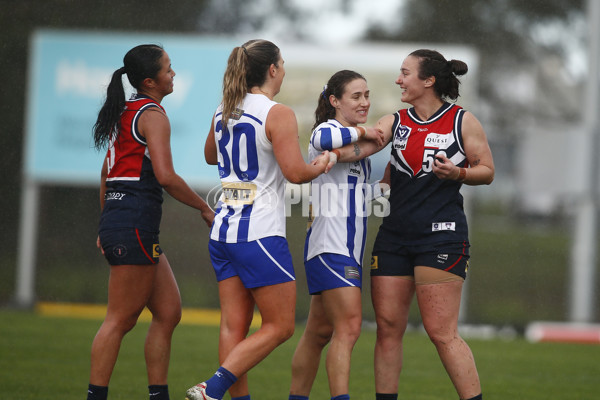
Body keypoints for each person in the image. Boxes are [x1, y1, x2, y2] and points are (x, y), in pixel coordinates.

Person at [329, 49, 494, 400]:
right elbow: (363, 147)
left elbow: (487, 171)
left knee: (441, 332)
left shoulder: (462, 122)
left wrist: (459, 172)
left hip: (441, 239)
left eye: (405, 73)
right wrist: (326, 156)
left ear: (428, 80)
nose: (398, 80)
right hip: (393, 238)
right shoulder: (396, 121)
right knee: (388, 328)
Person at [185, 39, 331, 400]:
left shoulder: (224, 108)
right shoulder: (277, 113)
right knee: (280, 326)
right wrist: (323, 163)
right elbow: (296, 174)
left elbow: (209, 155)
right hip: (259, 232)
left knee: (233, 328)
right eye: (282, 64)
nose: (283, 70)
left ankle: (224, 394)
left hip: (223, 231)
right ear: (272, 70)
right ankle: (212, 387)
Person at [87, 44, 214, 400]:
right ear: (149, 80)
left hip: (125, 222)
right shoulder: (152, 115)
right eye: (168, 69)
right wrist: (204, 208)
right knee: (120, 320)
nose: (173, 74)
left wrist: (105, 223)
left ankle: (158, 395)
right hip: (133, 223)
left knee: (169, 311)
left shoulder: (125, 111)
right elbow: (167, 176)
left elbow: (104, 174)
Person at [287, 70, 385, 400]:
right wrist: (365, 131)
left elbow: (353, 193)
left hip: (338, 248)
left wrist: (385, 187)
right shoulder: (331, 129)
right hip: (332, 245)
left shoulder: (351, 143)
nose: (364, 102)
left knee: (318, 333)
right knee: (350, 327)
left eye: (367, 95)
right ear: (334, 101)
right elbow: (321, 141)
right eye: (356, 96)